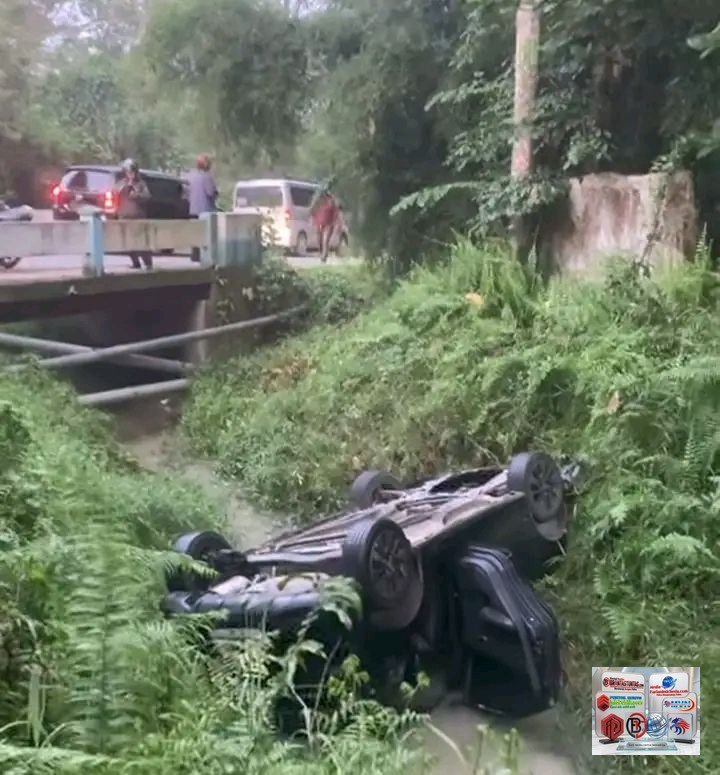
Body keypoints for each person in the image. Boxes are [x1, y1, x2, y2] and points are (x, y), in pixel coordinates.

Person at [114, 158, 153, 269]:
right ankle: (135, 262)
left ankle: (148, 263)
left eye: (132, 172)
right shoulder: (121, 184)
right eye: (128, 172)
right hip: (124, 216)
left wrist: (137, 195)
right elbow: (114, 193)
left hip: (138, 216)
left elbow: (147, 196)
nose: (130, 174)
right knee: (128, 242)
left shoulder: (141, 184)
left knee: (141, 241)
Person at [188, 153, 219, 262]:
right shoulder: (206, 177)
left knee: (195, 233)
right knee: (207, 234)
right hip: (205, 210)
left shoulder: (191, 176)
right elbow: (210, 193)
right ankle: (206, 256)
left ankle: (195, 255)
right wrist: (216, 193)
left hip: (193, 209)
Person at [310, 178, 340, 263]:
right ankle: (321, 253)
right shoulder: (317, 200)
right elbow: (312, 210)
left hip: (329, 223)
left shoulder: (332, 200)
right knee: (319, 240)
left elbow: (336, 211)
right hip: (319, 223)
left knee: (325, 240)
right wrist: (312, 219)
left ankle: (324, 257)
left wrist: (336, 222)